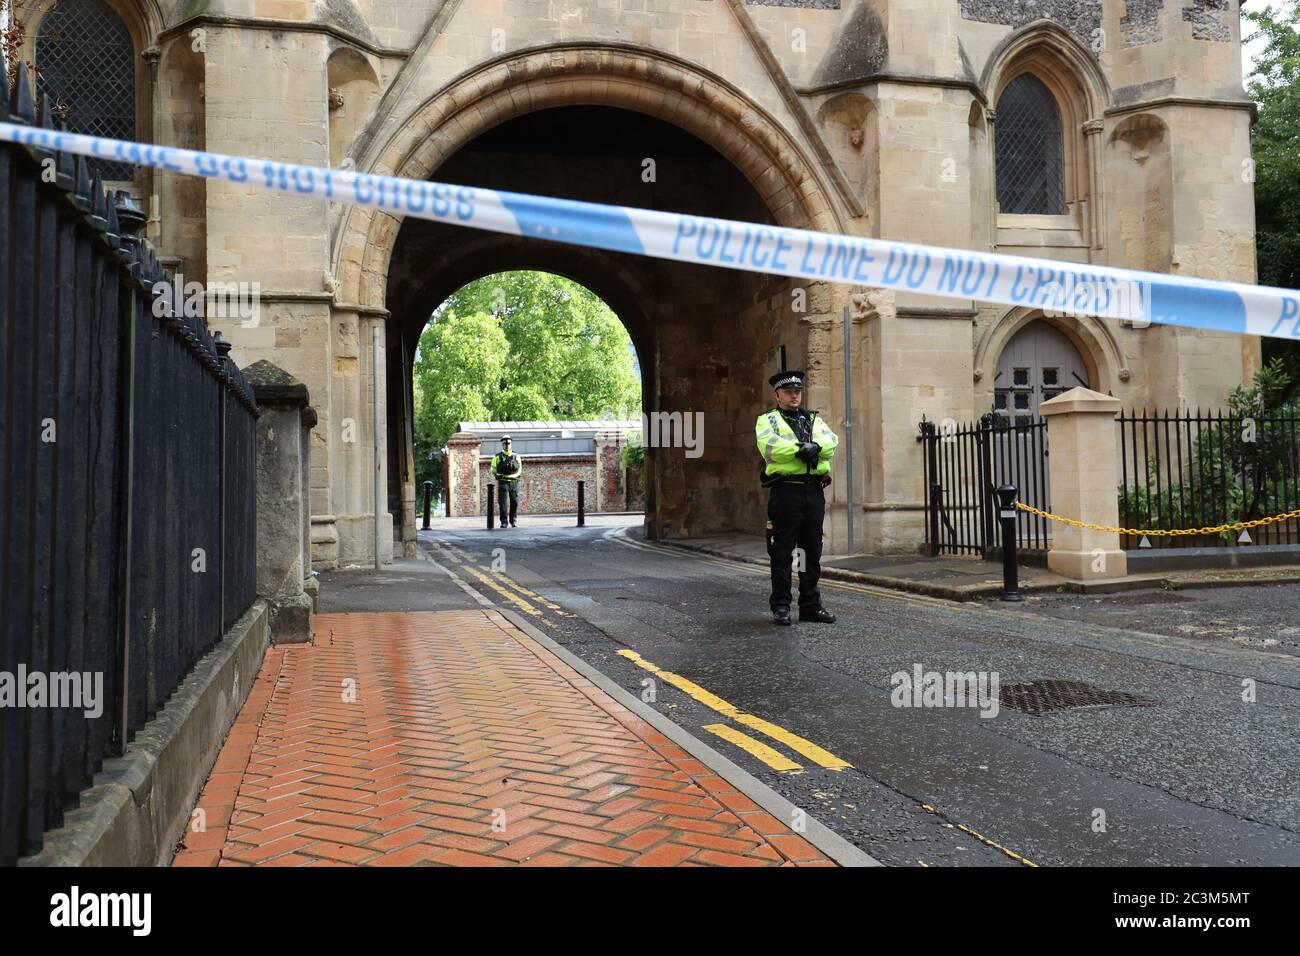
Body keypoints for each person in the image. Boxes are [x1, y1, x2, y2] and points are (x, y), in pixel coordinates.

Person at [755, 370, 839, 625]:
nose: (795, 395)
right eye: (789, 391)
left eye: (798, 391)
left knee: (811, 550)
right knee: (782, 551)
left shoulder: (814, 419)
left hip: (813, 492)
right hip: (786, 492)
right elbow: (771, 446)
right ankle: (781, 606)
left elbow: (831, 442)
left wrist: (818, 447)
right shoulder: (767, 420)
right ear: (777, 395)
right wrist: (803, 450)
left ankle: (810, 605)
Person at [490, 436, 523, 528]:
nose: (507, 445)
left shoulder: (516, 456)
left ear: (511, 444)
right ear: (502, 445)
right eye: (505, 443)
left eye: (508, 443)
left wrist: (512, 476)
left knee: (515, 502)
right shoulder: (497, 457)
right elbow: (493, 469)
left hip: (514, 482)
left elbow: (520, 470)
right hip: (503, 482)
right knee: (503, 503)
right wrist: (499, 475)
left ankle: (513, 520)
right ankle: (504, 522)